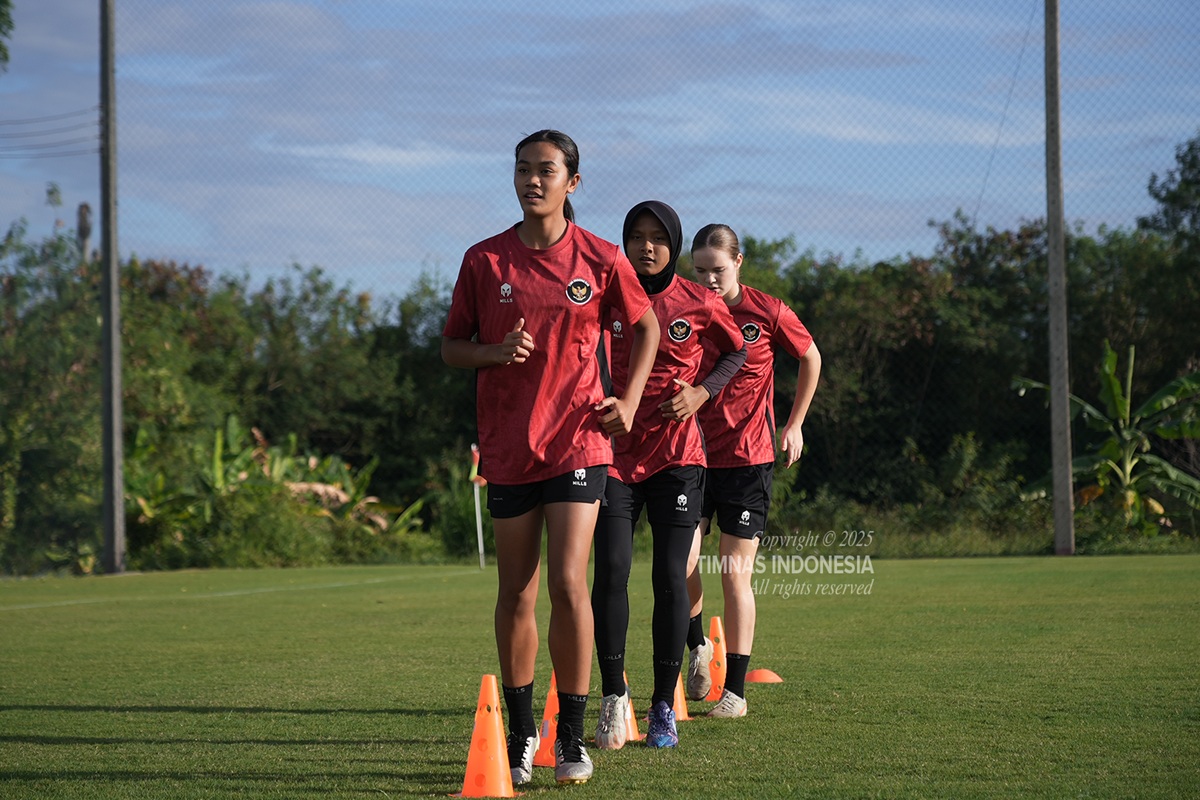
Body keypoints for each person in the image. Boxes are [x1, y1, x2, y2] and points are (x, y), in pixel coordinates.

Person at [441, 130, 660, 785]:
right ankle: (518, 733)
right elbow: (453, 347)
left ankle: (569, 737)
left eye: (546, 171)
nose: (532, 180)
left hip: (578, 441)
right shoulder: (485, 261)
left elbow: (645, 325)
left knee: (569, 582)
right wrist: (491, 352)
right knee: (516, 593)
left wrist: (628, 398)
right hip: (509, 446)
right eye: (522, 170)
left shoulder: (600, 257)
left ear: (573, 182)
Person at [591, 200, 746, 750]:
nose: (647, 245)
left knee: (669, 578)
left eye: (658, 237)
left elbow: (738, 351)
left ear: (673, 244)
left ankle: (662, 706)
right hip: (611, 455)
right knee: (609, 571)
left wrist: (702, 391)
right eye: (637, 235)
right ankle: (614, 697)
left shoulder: (699, 299)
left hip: (678, 458)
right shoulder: (605, 293)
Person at [683, 223, 821, 717]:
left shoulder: (768, 311)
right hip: (692, 457)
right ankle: (698, 646)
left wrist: (795, 423)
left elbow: (810, 356)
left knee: (733, 574)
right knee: (680, 564)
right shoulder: (687, 309)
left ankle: (735, 692)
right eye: (699, 271)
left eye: (717, 270)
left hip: (748, 460)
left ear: (738, 262)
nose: (709, 281)